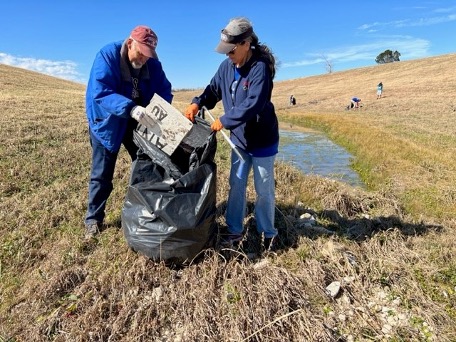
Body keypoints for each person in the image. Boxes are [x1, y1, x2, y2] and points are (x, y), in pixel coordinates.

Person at [184, 17, 279, 252]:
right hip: (239, 140)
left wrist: (225, 120)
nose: (228, 55)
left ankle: (268, 232)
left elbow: (253, 104)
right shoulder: (226, 67)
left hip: (262, 140)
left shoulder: (260, 68)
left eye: (232, 50)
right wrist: (198, 103)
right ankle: (235, 230)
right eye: (225, 51)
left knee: (263, 188)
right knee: (236, 184)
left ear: (246, 44)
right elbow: (213, 89)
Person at [84, 25, 173, 239]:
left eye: (147, 55)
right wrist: (130, 108)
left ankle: (147, 210)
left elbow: (164, 91)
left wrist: (158, 113)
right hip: (107, 121)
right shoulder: (107, 55)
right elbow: (101, 91)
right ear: (130, 42)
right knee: (102, 173)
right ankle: (94, 220)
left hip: (138, 118)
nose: (143, 59)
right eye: (141, 53)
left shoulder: (152, 62)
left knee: (146, 164)